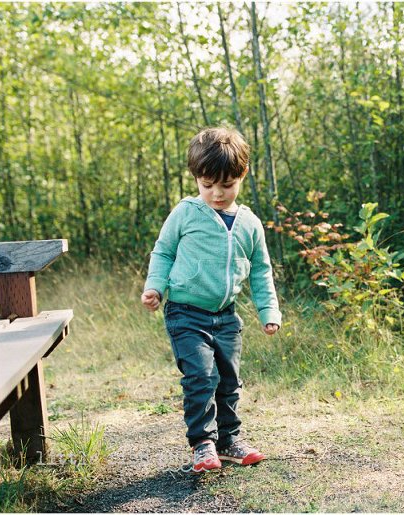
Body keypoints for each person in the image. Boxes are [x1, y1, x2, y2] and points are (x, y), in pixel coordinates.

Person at [141, 127, 281, 473]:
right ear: (196, 179)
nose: (217, 193)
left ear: (242, 175)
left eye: (226, 185)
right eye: (207, 185)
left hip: (226, 316)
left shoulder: (249, 224)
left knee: (229, 379)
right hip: (185, 313)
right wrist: (155, 287)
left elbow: (262, 270)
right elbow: (163, 252)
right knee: (201, 375)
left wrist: (268, 310)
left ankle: (229, 440)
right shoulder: (186, 213)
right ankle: (203, 443)